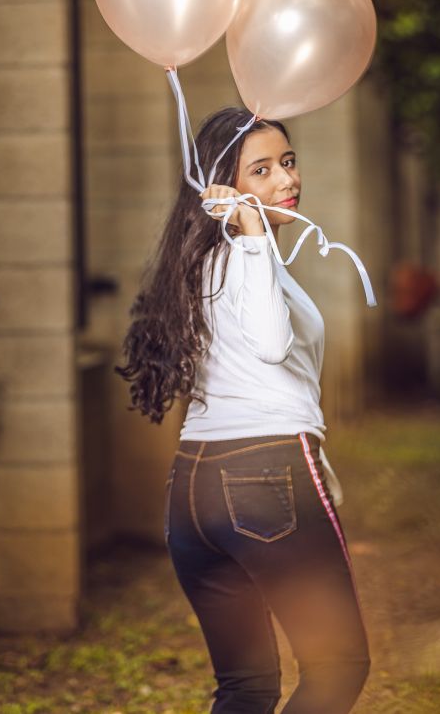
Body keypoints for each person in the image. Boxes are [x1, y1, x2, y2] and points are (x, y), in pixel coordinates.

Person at [116, 106, 371, 713]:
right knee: (339, 665)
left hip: (194, 487)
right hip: (266, 476)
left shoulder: (201, 263)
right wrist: (254, 234)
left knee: (247, 687)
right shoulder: (241, 255)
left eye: (288, 161)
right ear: (222, 189)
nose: (286, 180)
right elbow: (270, 343)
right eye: (261, 170)